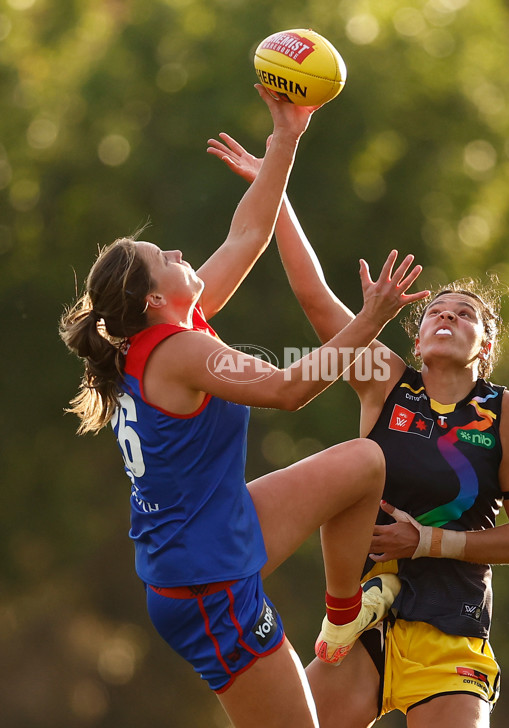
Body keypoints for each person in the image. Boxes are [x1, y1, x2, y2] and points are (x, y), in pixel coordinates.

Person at [59, 86, 430, 728]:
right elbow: (289, 390)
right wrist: (369, 319)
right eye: (164, 258)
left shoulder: (170, 332)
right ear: (152, 299)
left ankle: (343, 619)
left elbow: (249, 232)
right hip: (207, 587)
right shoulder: (179, 351)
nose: (178, 254)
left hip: (217, 534)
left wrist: (285, 138)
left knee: (364, 464)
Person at [208, 133, 509, 728]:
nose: (447, 315)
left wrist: (431, 542)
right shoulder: (386, 380)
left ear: (485, 347)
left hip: (451, 632)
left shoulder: (505, 412)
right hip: (363, 629)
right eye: (437, 310)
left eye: (465, 313)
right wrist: (275, 191)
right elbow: (314, 298)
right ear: (415, 340)